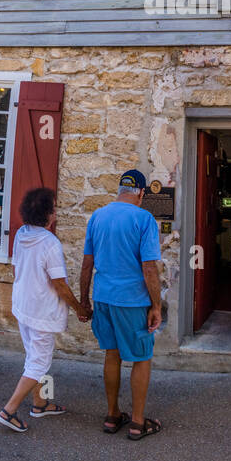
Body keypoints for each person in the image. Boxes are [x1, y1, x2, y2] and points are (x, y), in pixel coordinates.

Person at [0, 187, 86, 433]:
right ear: (47, 214)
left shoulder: (21, 234)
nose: (56, 212)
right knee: (39, 363)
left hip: (23, 305)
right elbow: (59, 284)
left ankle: (40, 402)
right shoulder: (50, 243)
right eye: (53, 209)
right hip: (42, 311)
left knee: (33, 357)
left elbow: (17, 269)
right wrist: (79, 307)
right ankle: (9, 410)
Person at [81, 169, 163, 441]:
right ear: (141, 193)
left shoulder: (97, 216)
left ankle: (112, 414)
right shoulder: (144, 219)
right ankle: (138, 422)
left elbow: (87, 264)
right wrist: (156, 306)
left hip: (103, 297)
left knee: (112, 353)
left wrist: (84, 300)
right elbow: (149, 268)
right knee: (141, 357)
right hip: (132, 300)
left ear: (120, 190)